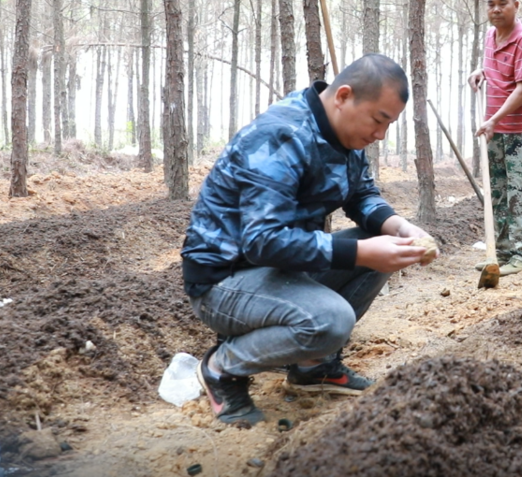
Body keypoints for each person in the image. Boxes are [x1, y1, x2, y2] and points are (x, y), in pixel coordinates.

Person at [181, 54, 435, 425]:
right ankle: (222, 368)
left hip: (280, 270)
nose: (380, 135)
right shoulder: (283, 135)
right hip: (225, 281)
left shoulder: (345, 138)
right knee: (331, 320)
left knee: (379, 241)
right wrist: (361, 252)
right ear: (344, 96)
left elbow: (361, 195)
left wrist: (399, 228)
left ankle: (312, 366)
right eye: (378, 120)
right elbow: (262, 241)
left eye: (388, 125)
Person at [468, 0, 522, 277]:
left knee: (519, 191)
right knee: (496, 190)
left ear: (516, 5)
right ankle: (499, 253)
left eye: (503, 3)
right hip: (495, 129)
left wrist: (494, 119)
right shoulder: (490, 35)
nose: (496, 9)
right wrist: (481, 72)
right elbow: (498, 70)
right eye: (490, 4)